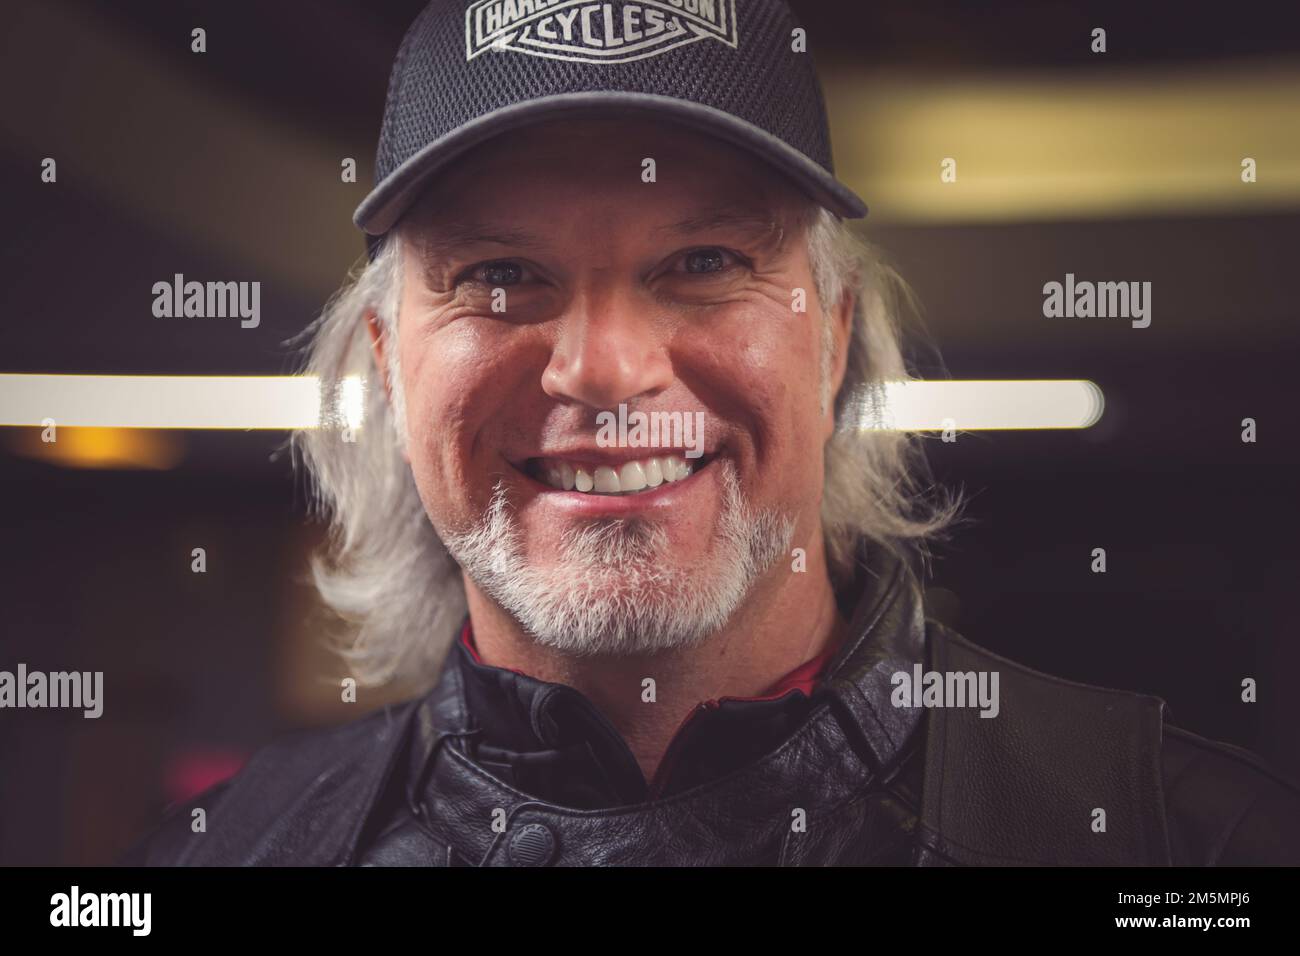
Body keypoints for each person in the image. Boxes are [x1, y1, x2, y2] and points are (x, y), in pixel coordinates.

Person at [124, 0, 1300, 866]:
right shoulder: (225, 851)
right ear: (388, 364)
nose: (604, 367)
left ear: (833, 338)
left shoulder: (1187, 846)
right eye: (497, 274)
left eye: (702, 262)